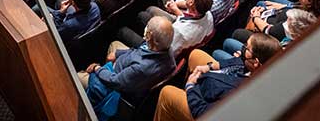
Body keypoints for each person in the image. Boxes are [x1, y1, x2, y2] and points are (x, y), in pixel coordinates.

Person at [153, 33, 283, 121]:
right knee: (195, 55)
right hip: (212, 81)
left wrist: (190, 87)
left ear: (256, 62)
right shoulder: (254, 65)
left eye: (247, 49)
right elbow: (235, 62)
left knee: (167, 93)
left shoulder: (240, 94)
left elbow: (205, 113)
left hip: (204, 104)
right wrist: (209, 67)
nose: (242, 49)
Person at [79, 17, 176, 118]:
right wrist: (117, 53)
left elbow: (115, 81)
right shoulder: (165, 49)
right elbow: (137, 50)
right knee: (115, 44)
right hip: (127, 69)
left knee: (77, 77)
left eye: (148, 27)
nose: (146, 28)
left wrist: (97, 68)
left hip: (116, 85)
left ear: (150, 35)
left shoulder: (142, 68)